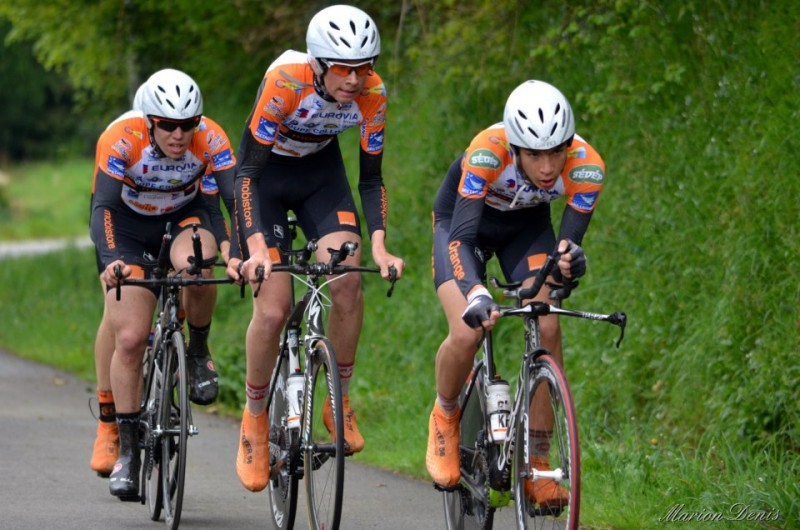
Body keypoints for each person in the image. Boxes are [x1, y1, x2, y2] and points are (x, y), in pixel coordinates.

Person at [227, 4, 405, 493]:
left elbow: (371, 178)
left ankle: (338, 399)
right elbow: (246, 173)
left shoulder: (373, 93)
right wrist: (258, 246)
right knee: (274, 307)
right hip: (264, 181)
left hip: (320, 179)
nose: (354, 80)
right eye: (344, 69)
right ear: (319, 63)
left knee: (348, 278)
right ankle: (256, 415)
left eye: (364, 67)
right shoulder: (286, 80)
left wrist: (381, 246)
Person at [425, 80, 604, 507]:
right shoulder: (487, 151)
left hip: (524, 230)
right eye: (535, 154)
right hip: (463, 226)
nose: (547, 166)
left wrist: (570, 266)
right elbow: (462, 239)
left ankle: (539, 465)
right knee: (469, 331)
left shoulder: (587, 167)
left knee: (548, 322)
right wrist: (476, 293)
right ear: (515, 146)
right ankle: (445, 414)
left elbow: (565, 252)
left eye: (556, 152)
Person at [89, 68, 236, 497]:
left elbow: (231, 198)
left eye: (187, 125)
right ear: (149, 120)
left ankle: (197, 349)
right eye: (168, 125)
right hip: (128, 226)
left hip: (182, 218)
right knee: (131, 337)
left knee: (198, 261)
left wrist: (240, 251)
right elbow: (103, 207)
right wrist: (113, 259)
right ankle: (129, 452)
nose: (178, 135)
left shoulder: (211, 138)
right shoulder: (121, 137)